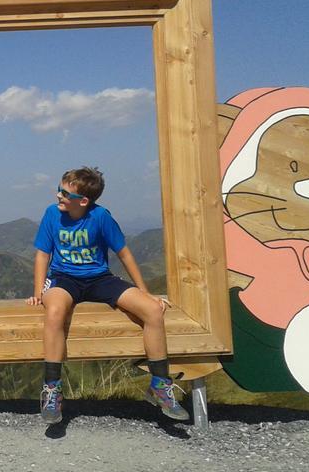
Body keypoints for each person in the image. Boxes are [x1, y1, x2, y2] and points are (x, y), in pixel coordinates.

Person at [26, 166, 188, 424]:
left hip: (99, 278)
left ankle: (159, 384)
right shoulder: (51, 215)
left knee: (154, 310)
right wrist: (38, 292)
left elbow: (124, 253)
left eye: (64, 193)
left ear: (83, 201)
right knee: (55, 311)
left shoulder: (101, 217)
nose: (58, 196)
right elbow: (42, 254)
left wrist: (145, 293)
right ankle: (52, 389)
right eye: (59, 190)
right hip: (63, 278)